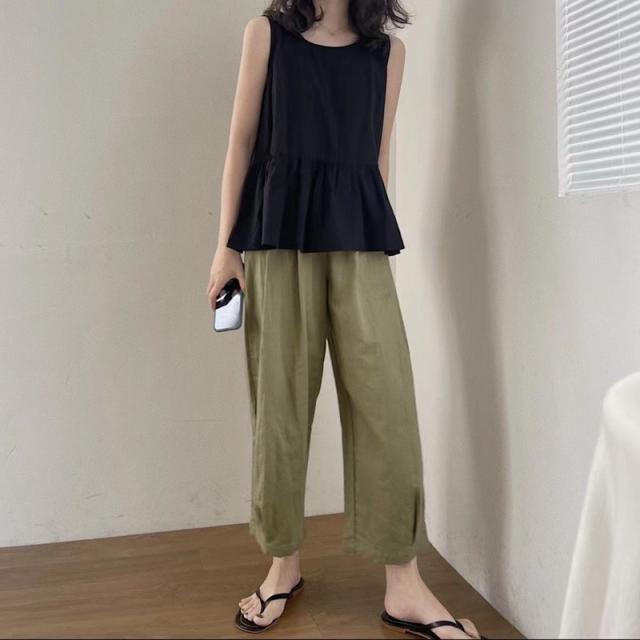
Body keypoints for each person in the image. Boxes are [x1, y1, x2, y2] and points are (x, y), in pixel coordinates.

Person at [206, 1, 483, 638]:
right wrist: (225, 247)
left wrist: (377, 239)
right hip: (277, 234)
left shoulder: (387, 53)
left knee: (388, 403)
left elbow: (378, 155)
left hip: (358, 238)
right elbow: (241, 143)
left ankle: (404, 584)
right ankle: (282, 564)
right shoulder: (266, 35)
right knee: (280, 405)